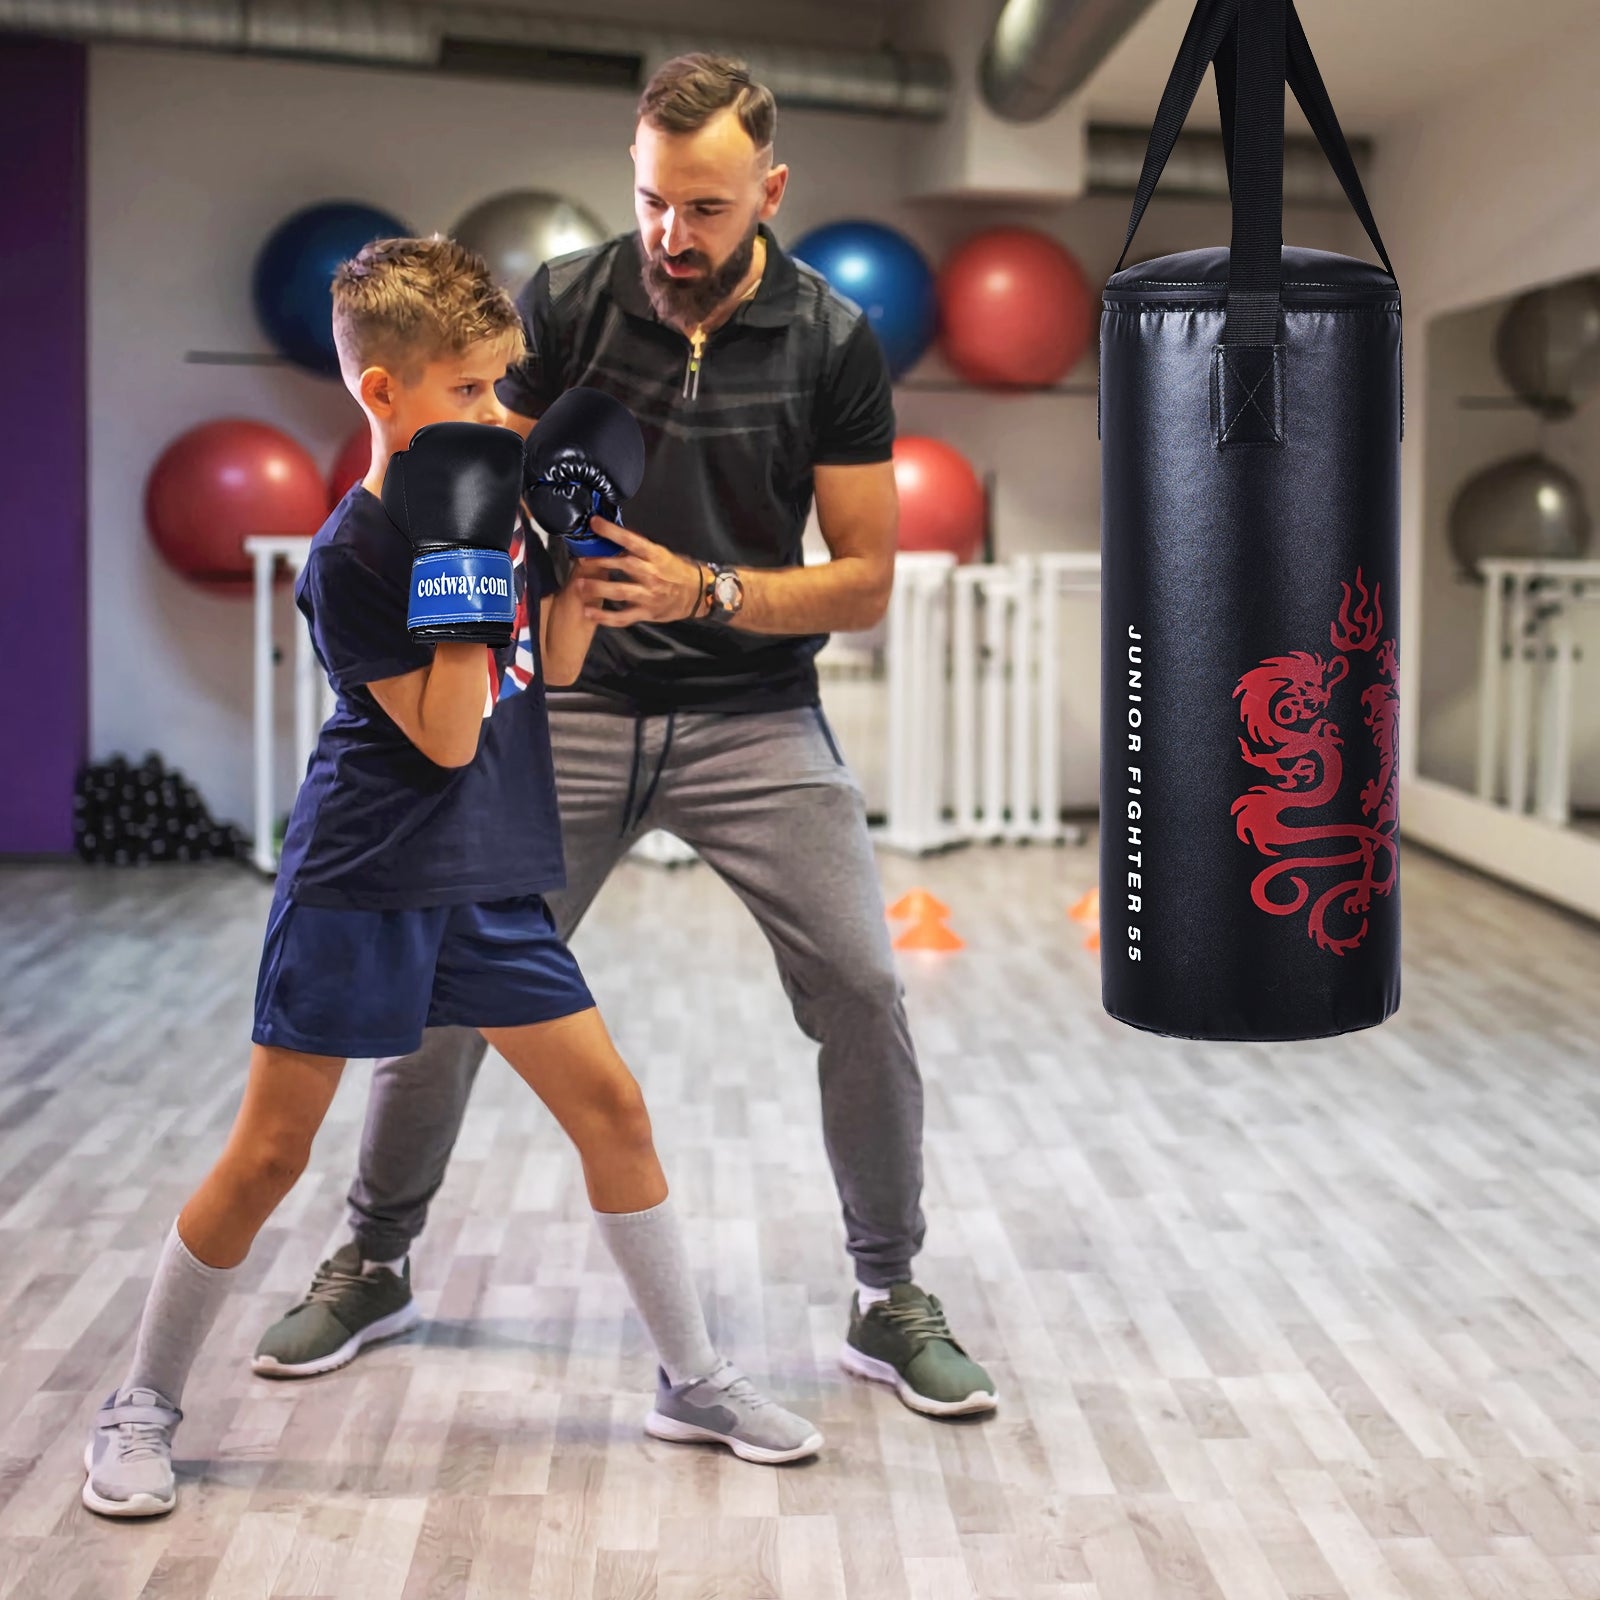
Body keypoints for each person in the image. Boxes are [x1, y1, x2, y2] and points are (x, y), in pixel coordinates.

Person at [254, 54, 998, 1419]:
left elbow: (868, 577)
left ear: (769, 190)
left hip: (753, 719)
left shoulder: (833, 340)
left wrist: (708, 589)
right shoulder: (578, 299)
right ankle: (374, 1254)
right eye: (654, 200)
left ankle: (888, 1297)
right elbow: (474, 463)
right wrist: (518, 564)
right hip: (580, 706)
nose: (673, 234)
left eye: (706, 208)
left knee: (865, 986)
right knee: (443, 978)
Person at [82, 237, 822, 1521]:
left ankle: (689, 1377)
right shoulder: (358, 552)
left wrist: (582, 573)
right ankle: (138, 1403)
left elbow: (557, 673)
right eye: (471, 390)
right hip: (366, 875)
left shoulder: (496, 513)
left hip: (486, 874)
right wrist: (476, 574)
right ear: (384, 394)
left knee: (616, 1112)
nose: (497, 415)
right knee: (269, 1154)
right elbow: (439, 730)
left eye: (499, 388)